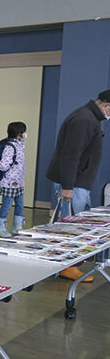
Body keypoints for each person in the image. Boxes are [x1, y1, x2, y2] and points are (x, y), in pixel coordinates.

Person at [46, 89, 110, 281]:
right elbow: (70, 155)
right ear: (107, 105)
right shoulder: (84, 119)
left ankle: (70, 264)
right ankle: (67, 266)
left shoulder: (89, 117)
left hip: (78, 182)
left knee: (77, 226)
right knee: (71, 228)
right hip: (73, 184)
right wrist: (68, 186)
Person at [0, 122, 27, 237]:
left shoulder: (19, 145)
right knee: (7, 206)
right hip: (9, 182)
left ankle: (17, 226)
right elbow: (3, 165)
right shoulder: (9, 147)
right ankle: (0, 228)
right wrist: (11, 174)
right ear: (19, 134)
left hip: (19, 182)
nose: (25, 134)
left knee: (20, 205)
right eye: (24, 132)